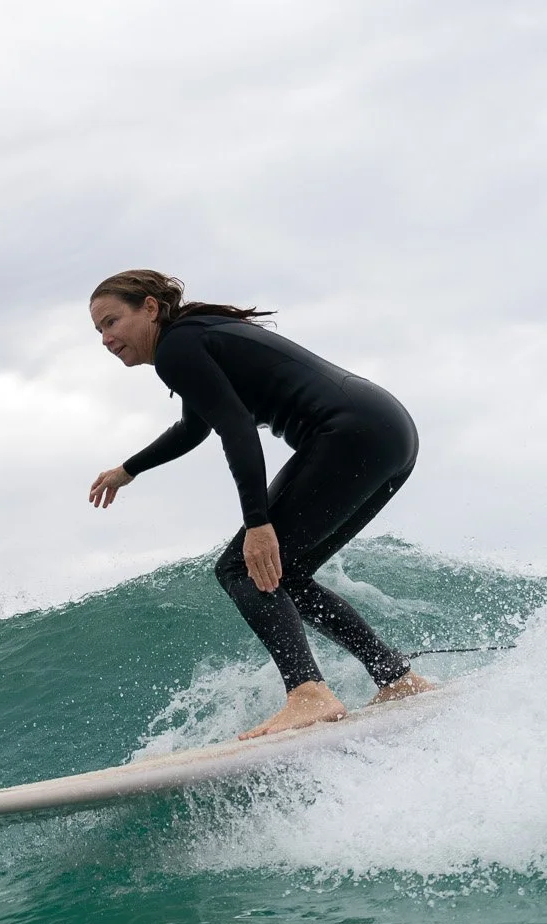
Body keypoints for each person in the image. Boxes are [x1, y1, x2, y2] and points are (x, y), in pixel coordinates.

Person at [85, 269, 432, 739]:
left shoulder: (177, 348)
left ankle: (309, 694)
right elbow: (195, 427)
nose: (106, 339)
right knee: (286, 575)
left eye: (111, 322)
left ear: (149, 308)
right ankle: (396, 678)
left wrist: (257, 522)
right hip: (388, 432)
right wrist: (128, 469)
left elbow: (237, 429)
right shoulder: (194, 339)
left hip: (349, 433)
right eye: (99, 330)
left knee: (242, 568)